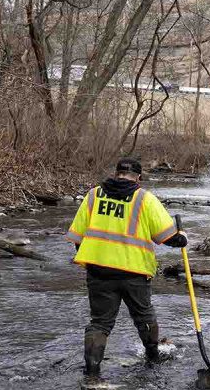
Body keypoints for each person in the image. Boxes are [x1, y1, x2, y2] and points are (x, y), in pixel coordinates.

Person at [66, 157, 187, 375]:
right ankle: (152, 357)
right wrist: (182, 239)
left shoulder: (93, 195)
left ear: (116, 173)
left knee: (100, 323)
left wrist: (92, 264)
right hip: (134, 272)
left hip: (99, 272)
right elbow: (167, 238)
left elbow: (77, 237)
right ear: (139, 178)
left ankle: (92, 372)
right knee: (144, 316)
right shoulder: (145, 199)